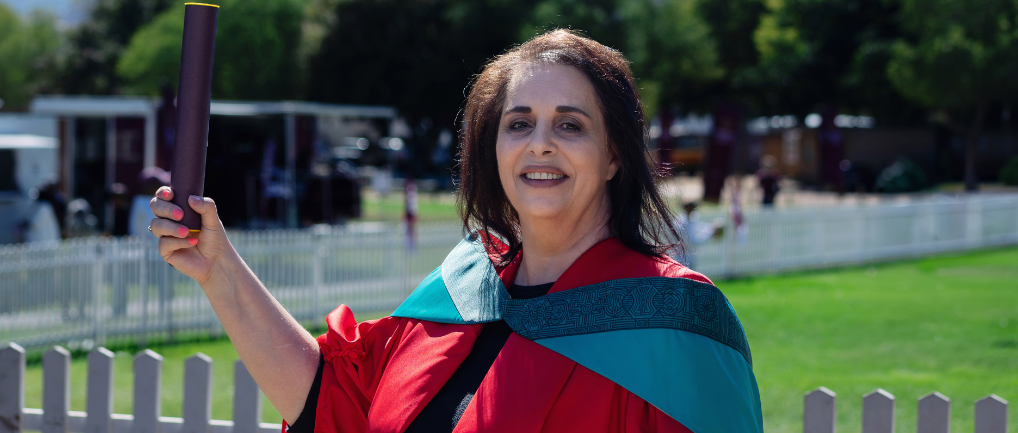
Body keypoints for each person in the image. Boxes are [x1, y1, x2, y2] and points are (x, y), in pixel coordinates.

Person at [148, 30, 761, 433]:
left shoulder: (673, 323)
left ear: (614, 157)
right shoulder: (461, 292)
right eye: (518, 123)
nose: (540, 143)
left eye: (570, 125)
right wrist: (218, 270)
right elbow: (332, 408)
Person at [673, 202, 725, 270]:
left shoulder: (690, 218)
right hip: (681, 258)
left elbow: (697, 226)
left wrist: (712, 228)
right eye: (691, 208)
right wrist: (711, 231)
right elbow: (693, 241)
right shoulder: (681, 223)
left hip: (688, 257)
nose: (692, 210)